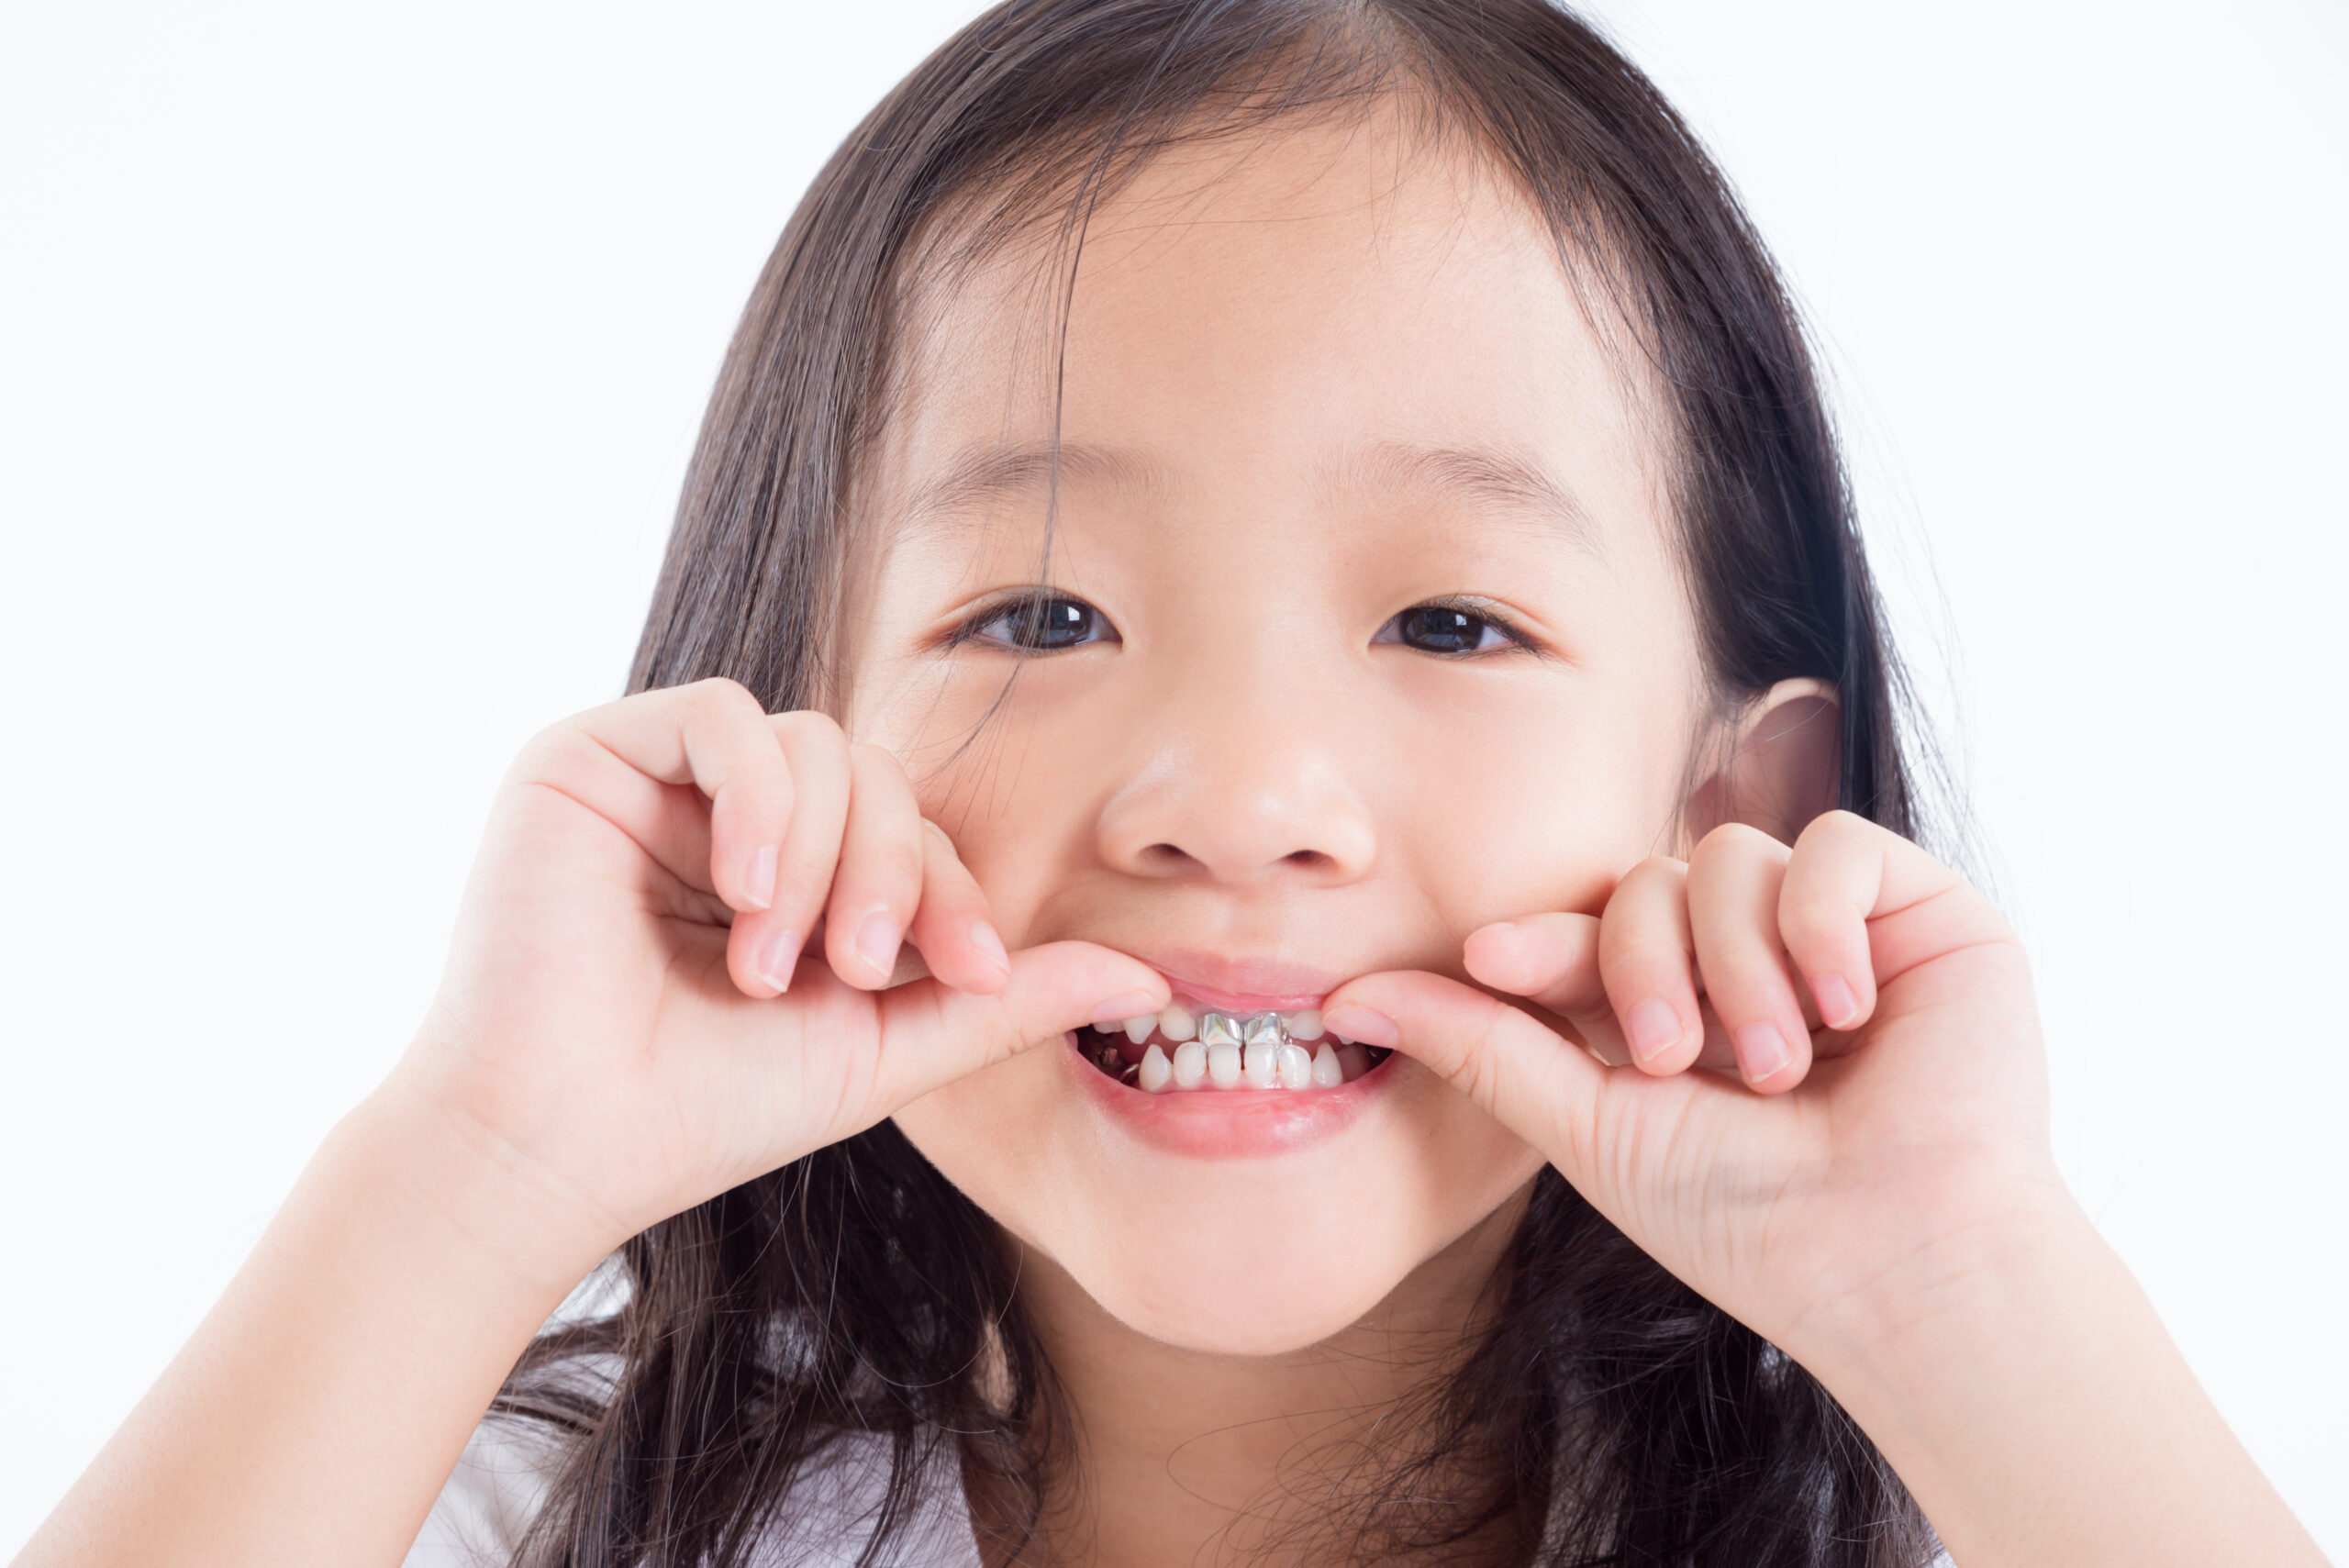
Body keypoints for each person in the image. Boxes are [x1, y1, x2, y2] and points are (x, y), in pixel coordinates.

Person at [18, 2, 2328, 1564]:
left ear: (1736, 815)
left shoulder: (2008, 1493)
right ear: (778, 757)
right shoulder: (539, 1506)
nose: (1236, 802)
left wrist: (1958, 1286)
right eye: (1033, 615)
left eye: (1451, 623)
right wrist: (473, 1171)